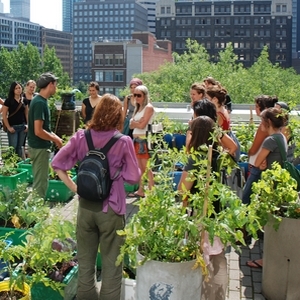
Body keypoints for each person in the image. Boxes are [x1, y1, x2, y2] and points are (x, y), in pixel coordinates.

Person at [51, 93, 140, 300]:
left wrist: (75, 188)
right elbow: (133, 177)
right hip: (111, 209)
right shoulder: (123, 141)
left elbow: (57, 163)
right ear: (118, 115)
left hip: (86, 207)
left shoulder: (82, 136)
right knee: (111, 265)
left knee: (85, 262)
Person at [178, 116, 228, 300]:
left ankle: (204, 294)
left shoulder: (197, 157)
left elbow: (184, 188)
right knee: (216, 253)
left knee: (203, 254)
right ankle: (218, 294)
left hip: (199, 211)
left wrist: (182, 211)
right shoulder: (217, 154)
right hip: (216, 209)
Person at [246, 107, 286, 269]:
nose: (259, 124)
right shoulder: (281, 137)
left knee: (268, 221)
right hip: (277, 182)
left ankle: (266, 260)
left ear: (268, 122)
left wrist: (261, 163)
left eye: (261, 120)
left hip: (269, 184)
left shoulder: (270, 140)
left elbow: (257, 162)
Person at [27, 72, 62, 199]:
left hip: (38, 147)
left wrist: (56, 138)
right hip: (39, 148)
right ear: (50, 84)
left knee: (40, 181)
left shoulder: (40, 100)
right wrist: (54, 138)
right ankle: (34, 215)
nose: (56, 87)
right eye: (55, 84)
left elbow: (44, 129)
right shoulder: (40, 103)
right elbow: (38, 131)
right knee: (40, 185)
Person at [242, 95, 278, 205]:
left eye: (257, 106)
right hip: (262, 164)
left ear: (265, 108)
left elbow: (254, 148)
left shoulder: (263, 127)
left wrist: (248, 153)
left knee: (246, 196)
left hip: (257, 164)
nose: (255, 109)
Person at [128, 85, 155, 198]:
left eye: (139, 95)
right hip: (137, 139)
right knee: (140, 168)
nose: (136, 97)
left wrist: (135, 123)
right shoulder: (138, 108)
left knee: (146, 167)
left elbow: (142, 125)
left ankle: (152, 191)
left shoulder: (148, 107)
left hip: (144, 140)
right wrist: (136, 123)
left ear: (145, 96)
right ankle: (141, 190)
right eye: (135, 95)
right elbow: (131, 125)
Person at [1, 81, 28, 157]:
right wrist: (8, 127)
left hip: (22, 127)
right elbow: (4, 115)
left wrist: (27, 125)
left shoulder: (24, 100)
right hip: (13, 127)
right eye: (16, 88)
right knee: (13, 147)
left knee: (20, 147)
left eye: (19, 88)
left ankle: (19, 165)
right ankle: (12, 165)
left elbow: (26, 113)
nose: (18, 90)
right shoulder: (9, 100)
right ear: (13, 90)